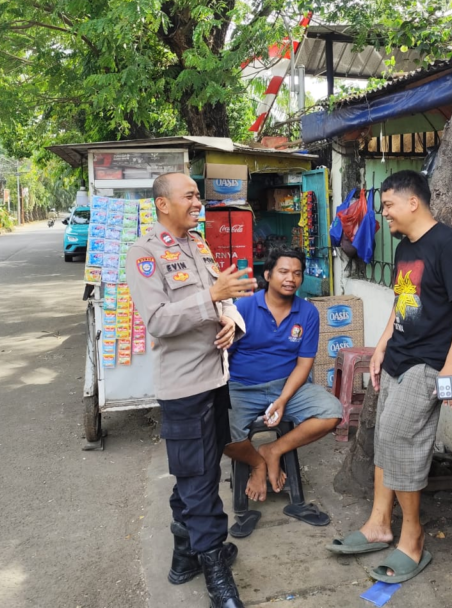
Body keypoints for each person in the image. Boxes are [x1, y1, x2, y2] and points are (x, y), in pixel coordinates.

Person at [328, 170, 452, 584]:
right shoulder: (404, 248)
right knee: (384, 436)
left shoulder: (448, 245)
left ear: (413, 202)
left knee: (401, 439)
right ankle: (379, 523)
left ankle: (413, 537)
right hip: (399, 355)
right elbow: (402, 299)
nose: (385, 214)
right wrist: (381, 345)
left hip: (429, 361)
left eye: (389, 205)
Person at [126, 172, 257, 608]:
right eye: (190, 196)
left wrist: (230, 320)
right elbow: (158, 321)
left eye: (198, 195)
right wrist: (211, 296)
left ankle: (185, 555)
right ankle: (217, 574)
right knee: (200, 482)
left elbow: (222, 300)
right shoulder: (145, 253)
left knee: (197, 472)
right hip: (184, 388)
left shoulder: (198, 244)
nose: (198, 202)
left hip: (215, 378)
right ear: (163, 204)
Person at [224, 247, 344, 501]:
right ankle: (257, 463)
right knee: (220, 434)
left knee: (332, 412)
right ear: (268, 275)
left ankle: (273, 450)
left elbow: (304, 364)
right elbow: (224, 356)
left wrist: (282, 399)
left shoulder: (308, 312)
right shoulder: (243, 308)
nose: (291, 278)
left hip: (288, 386)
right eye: (284, 272)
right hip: (242, 387)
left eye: (297, 273)